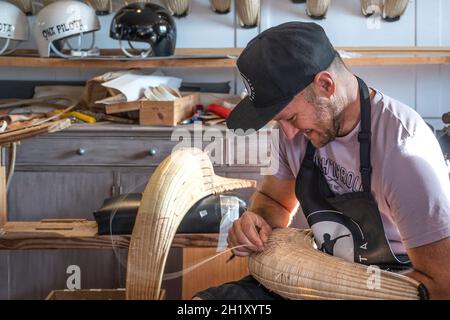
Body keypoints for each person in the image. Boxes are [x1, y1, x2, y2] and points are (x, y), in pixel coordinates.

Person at [194, 22, 450, 300]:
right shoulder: (292, 132)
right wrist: (255, 223)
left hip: (388, 287)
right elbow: (275, 201)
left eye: (291, 118)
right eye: (280, 121)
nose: (288, 132)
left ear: (326, 85)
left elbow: (441, 283)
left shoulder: (402, 150)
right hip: (321, 275)